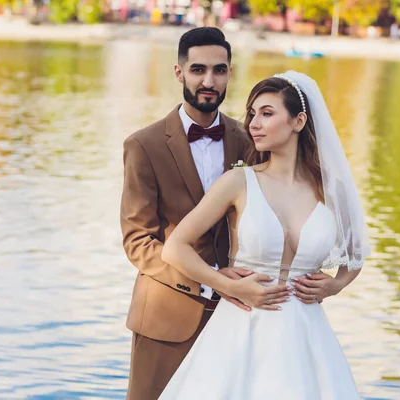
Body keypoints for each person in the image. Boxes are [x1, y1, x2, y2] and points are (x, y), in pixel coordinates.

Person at [159, 71, 371, 399]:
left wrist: (335, 285)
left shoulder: (332, 192)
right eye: (252, 114)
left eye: (267, 113)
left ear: (299, 121)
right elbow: (175, 248)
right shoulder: (238, 182)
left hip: (307, 337)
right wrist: (226, 285)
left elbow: (356, 253)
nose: (254, 123)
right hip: (241, 328)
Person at [120, 27, 290, 400]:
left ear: (230, 73)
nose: (209, 81)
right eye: (198, 70)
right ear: (179, 72)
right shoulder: (143, 146)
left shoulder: (251, 140)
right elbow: (138, 242)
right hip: (166, 317)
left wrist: (330, 277)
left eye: (219, 70)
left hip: (239, 319)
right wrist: (211, 279)